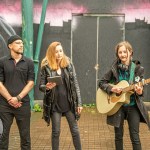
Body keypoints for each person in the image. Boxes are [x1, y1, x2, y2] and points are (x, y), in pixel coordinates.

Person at [98, 41, 150, 150]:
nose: (122, 54)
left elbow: (141, 92)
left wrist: (139, 91)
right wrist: (112, 88)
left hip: (133, 105)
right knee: (118, 136)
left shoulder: (138, 69)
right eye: (120, 52)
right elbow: (101, 82)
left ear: (130, 52)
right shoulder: (114, 67)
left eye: (125, 52)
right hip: (118, 106)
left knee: (134, 136)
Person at [39, 41, 83, 150]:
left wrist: (79, 103)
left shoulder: (68, 64)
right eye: (56, 52)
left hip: (69, 103)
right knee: (56, 132)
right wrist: (47, 87)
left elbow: (75, 84)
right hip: (54, 104)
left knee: (75, 130)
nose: (59, 54)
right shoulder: (46, 67)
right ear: (51, 53)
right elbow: (41, 86)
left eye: (60, 51)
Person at [0, 35, 34, 150]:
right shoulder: (2, 62)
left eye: (22, 43)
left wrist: (18, 98)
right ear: (10, 46)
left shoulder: (28, 62)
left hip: (23, 104)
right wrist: (10, 99)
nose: (21, 45)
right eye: (18, 43)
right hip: (5, 105)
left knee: (25, 137)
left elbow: (31, 83)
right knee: (3, 135)